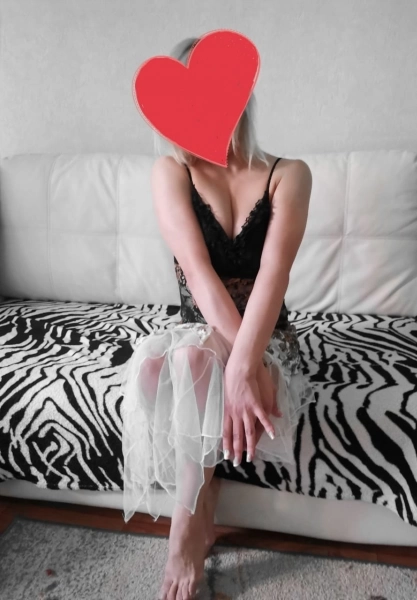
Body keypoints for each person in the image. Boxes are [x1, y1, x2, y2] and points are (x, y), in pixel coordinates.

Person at [121, 36, 317, 600]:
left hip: (267, 336)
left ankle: (187, 529)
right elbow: (199, 275)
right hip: (200, 329)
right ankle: (200, 503)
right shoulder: (171, 171)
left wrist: (247, 360)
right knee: (170, 362)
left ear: (238, 95)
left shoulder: (290, 173)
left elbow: (274, 276)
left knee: (194, 363)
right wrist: (236, 369)